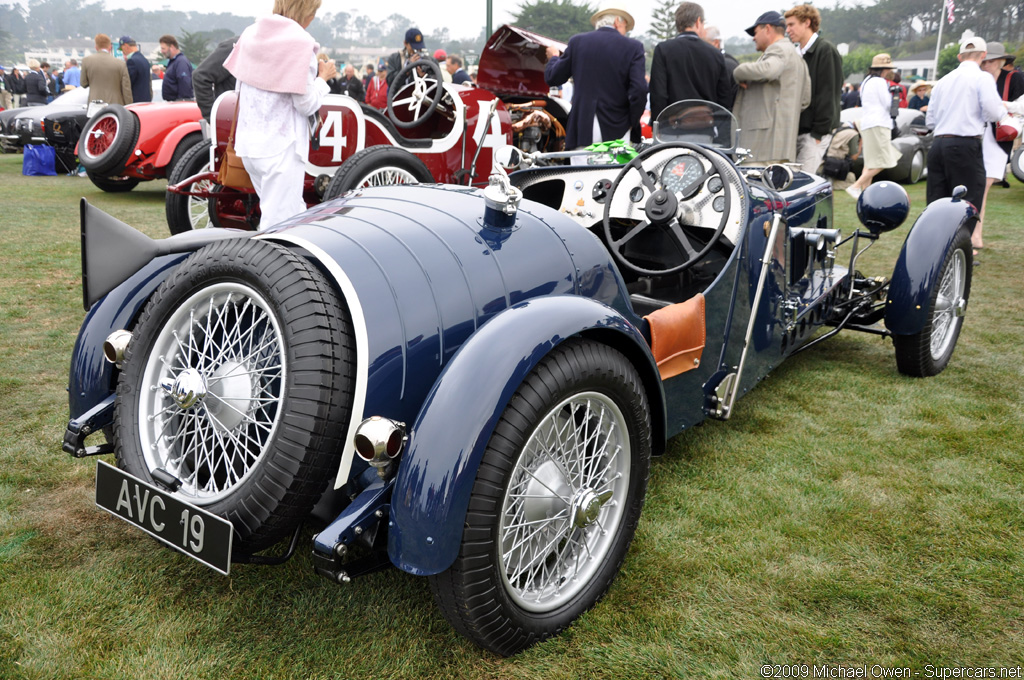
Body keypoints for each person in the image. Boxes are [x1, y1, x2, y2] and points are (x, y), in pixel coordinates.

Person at [223, 0, 336, 228]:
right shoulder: (301, 44)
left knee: (285, 215)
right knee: (280, 225)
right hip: (282, 147)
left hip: (249, 146)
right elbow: (305, 104)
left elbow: (240, 89)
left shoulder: (251, 33)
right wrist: (323, 80)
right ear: (308, 13)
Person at [926, 36, 1006, 232]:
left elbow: (930, 120)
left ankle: (935, 247)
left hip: (938, 143)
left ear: (960, 56)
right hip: (964, 143)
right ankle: (960, 248)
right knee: (968, 199)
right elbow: (993, 112)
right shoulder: (982, 78)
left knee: (937, 200)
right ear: (983, 55)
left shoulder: (943, 81)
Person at [544, 3, 647, 152]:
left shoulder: (577, 42)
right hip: (618, 127)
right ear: (618, 22)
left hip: (582, 126)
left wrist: (554, 57)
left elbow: (553, 77)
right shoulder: (634, 47)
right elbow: (639, 89)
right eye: (625, 27)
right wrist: (632, 119)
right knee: (616, 174)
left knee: (581, 174)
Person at [732, 11, 810, 163]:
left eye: (755, 33)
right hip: (783, 146)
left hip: (762, 146)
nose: (753, 38)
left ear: (767, 29)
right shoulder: (798, 59)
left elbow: (769, 70)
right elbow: (805, 100)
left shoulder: (778, 50)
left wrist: (738, 72)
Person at [975, 42, 1024, 249]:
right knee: (978, 187)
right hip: (976, 134)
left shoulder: (1014, 79)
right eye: (984, 60)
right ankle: (975, 235)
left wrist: (1003, 106)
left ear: (1002, 62)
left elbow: (1021, 107)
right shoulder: (977, 79)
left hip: (998, 136)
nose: (986, 64)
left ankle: (975, 235)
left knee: (981, 187)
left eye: (991, 60)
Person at [649, 3, 734, 120]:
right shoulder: (716, 54)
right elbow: (724, 98)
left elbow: (658, 95)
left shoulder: (663, 50)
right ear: (698, 22)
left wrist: (657, 124)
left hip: (671, 129)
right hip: (705, 128)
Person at [785, 4, 843, 175]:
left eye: (791, 24)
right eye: (787, 25)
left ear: (807, 23)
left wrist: (819, 133)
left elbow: (829, 93)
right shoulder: (796, 53)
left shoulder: (825, 50)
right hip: (797, 131)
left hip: (814, 133)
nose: (788, 30)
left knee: (802, 185)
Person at [845, 53, 900, 199]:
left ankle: (865, 195)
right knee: (885, 160)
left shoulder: (866, 81)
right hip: (879, 124)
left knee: (870, 163)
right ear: (883, 69)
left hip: (868, 123)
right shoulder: (880, 82)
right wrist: (895, 99)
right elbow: (888, 104)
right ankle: (856, 186)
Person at [193, 36, 239, 121]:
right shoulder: (235, 47)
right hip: (230, 122)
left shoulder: (266, 49)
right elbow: (201, 76)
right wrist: (213, 117)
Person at [81, 33, 132, 105]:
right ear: (110, 47)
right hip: (115, 105)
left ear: (96, 47)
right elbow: (126, 89)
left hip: (95, 105)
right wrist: (129, 105)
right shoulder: (121, 64)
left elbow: (83, 83)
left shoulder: (86, 61)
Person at [160, 34, 194, 101]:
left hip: (179, 104)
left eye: (163, 48)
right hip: (173, 103)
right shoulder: (173, 62)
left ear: (172, 47)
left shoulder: (181, 62)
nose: (162, 51)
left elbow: (185, 84)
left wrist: (182, 103)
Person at [119, 36, 152, 103]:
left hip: (136, 101)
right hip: (145, 100)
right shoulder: (144, 59)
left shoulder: (132, 61)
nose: (122, 52)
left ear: (125, 46)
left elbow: (128, 83)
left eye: (121, 49)